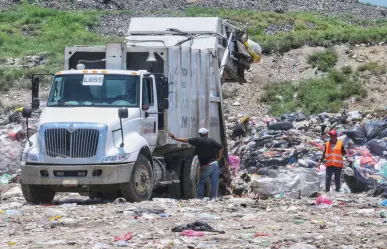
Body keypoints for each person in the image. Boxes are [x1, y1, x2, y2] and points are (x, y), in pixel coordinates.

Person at [168, 128, 224, 199]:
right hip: (214, 164)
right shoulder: (211, 140)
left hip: (205, 165)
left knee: (201, 181)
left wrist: (175, 138)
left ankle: (200, 197)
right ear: (206, 134)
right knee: (215, 181)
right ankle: (214, 197)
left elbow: (185, 140)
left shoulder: (197, 140)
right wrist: (219, 157)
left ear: (200, 134)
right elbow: (221, 147)